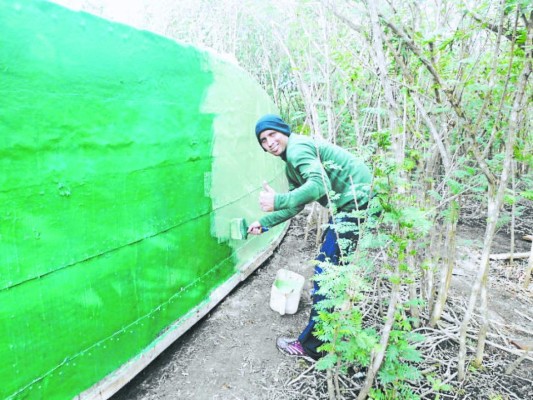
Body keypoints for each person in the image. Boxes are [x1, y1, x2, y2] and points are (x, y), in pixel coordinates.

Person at [248, 114, 372, 360]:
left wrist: (277, 200)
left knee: (326, 275)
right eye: (263, 140)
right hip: (351, 206)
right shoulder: (290, 163)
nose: (269, 142)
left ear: (284, 131)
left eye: (273, 134)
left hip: (355, 205)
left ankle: (312, 347)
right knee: (331, 270)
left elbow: (318, 186)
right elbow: (296, 205)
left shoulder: (297, 149)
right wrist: (263, 223)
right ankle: (333, 330)